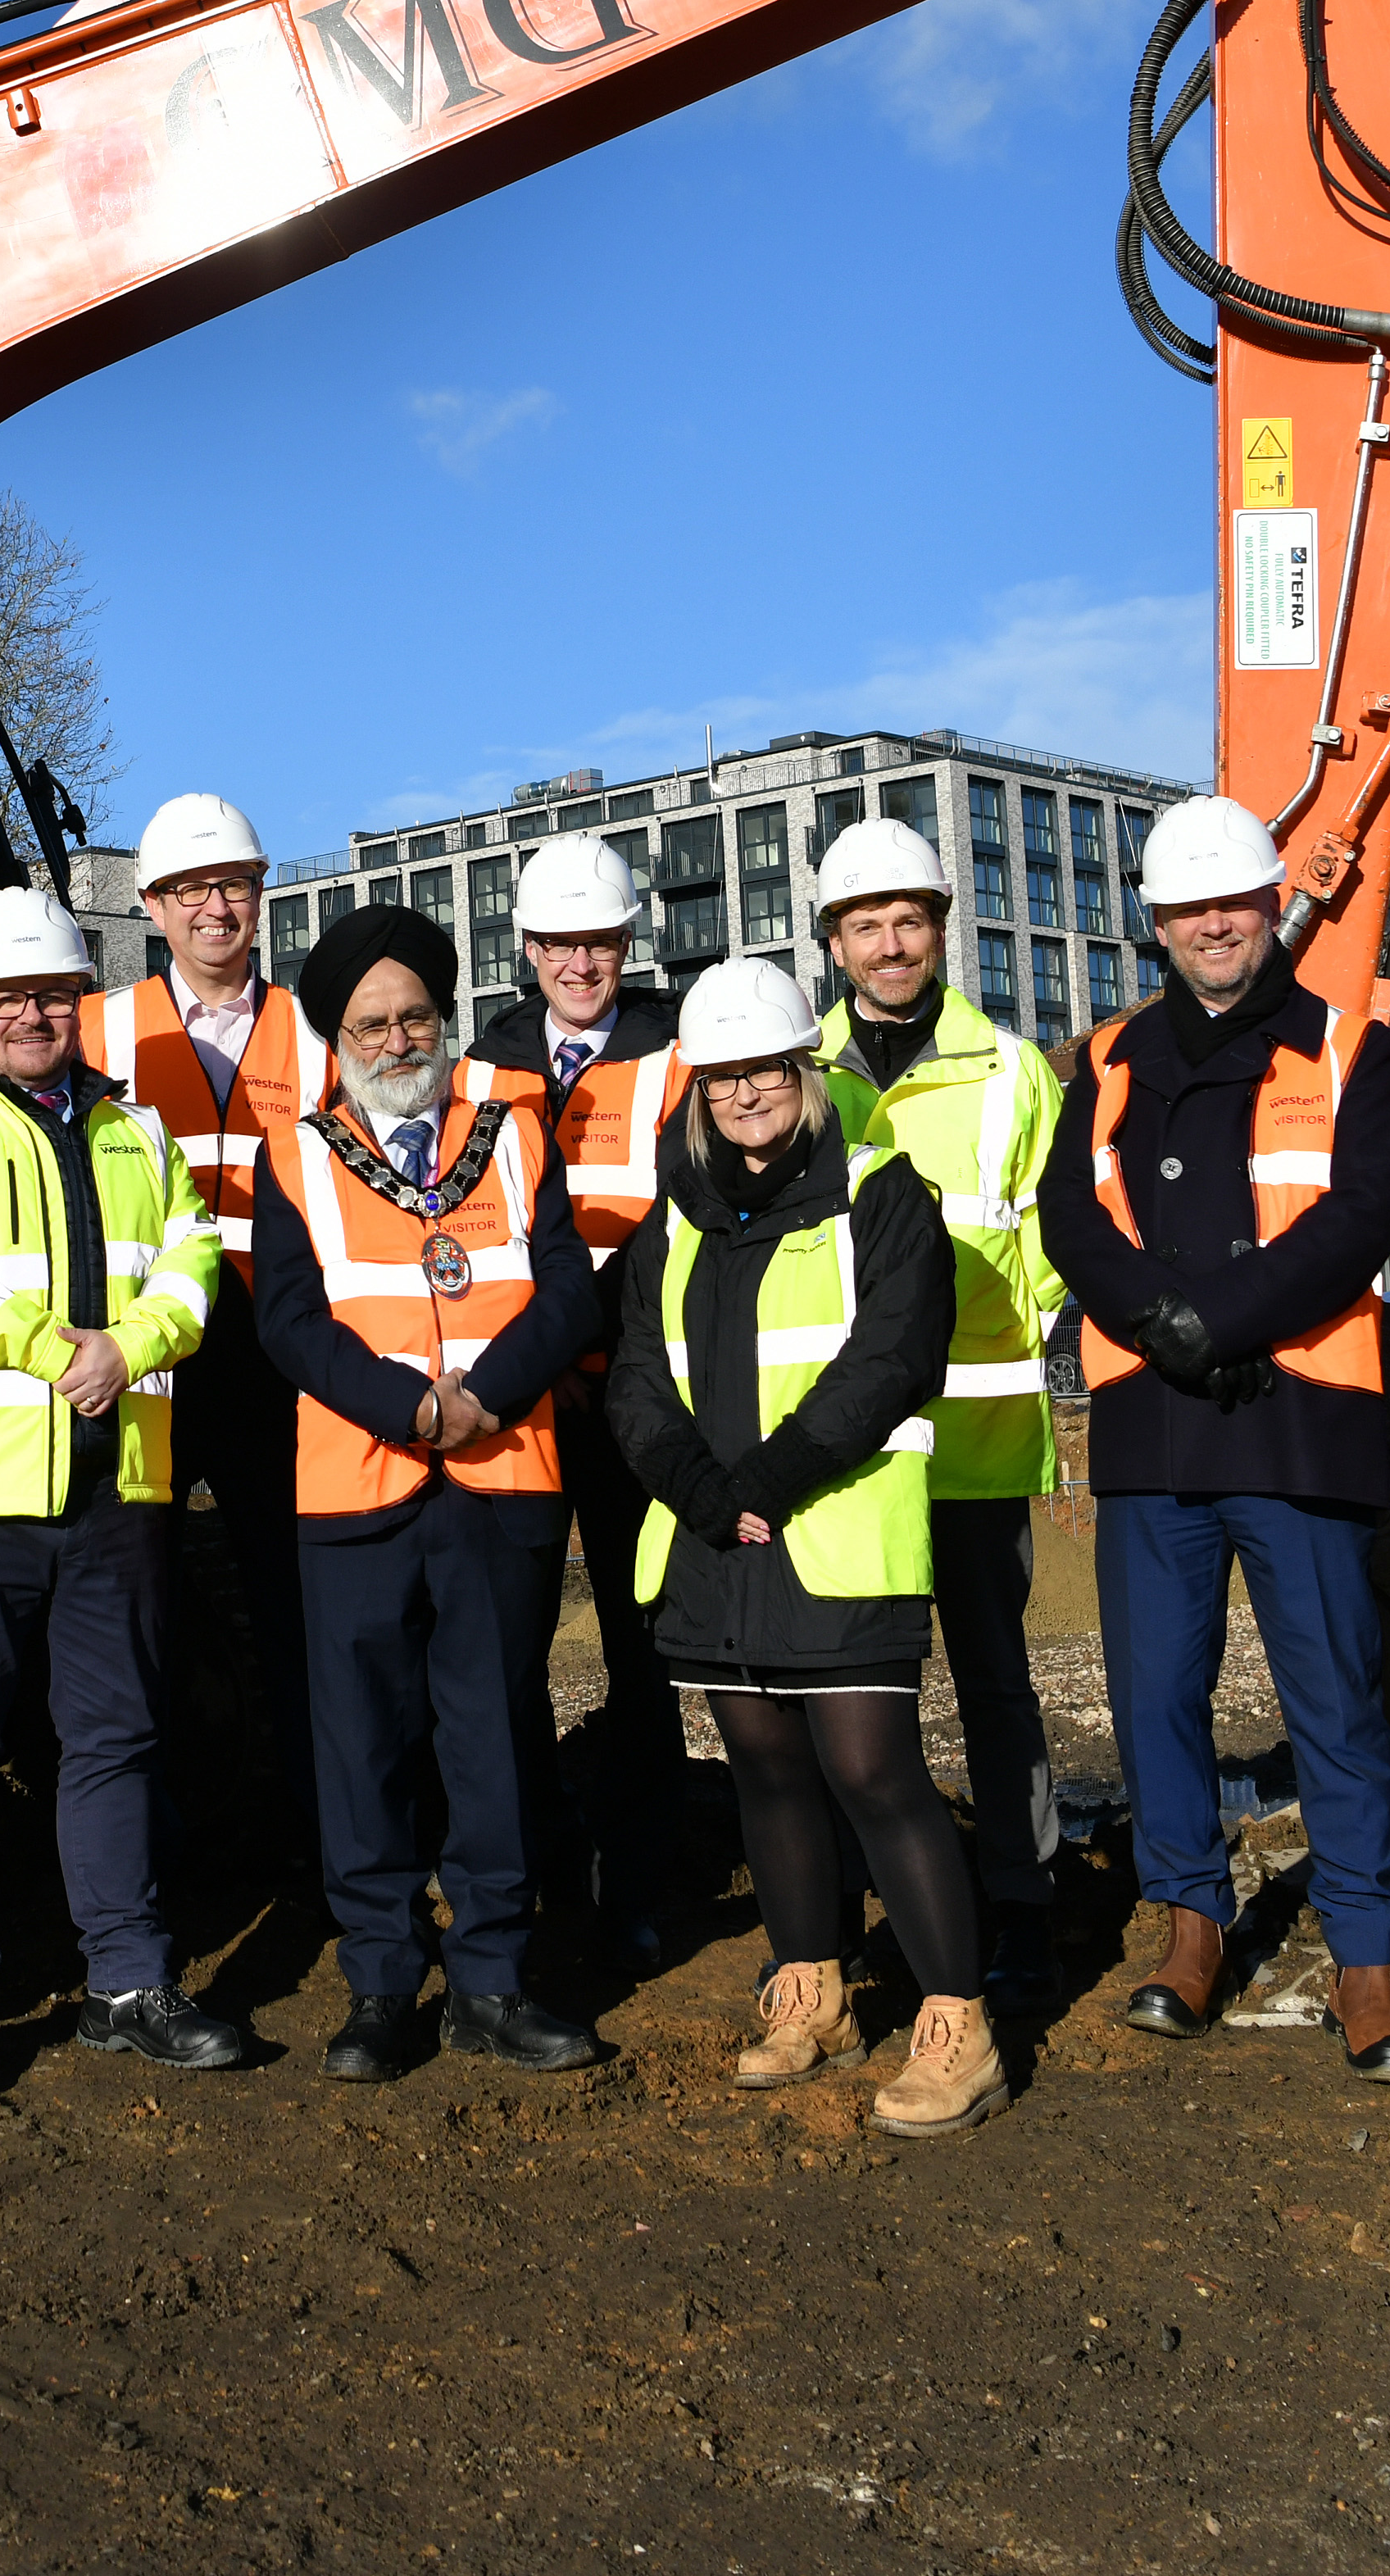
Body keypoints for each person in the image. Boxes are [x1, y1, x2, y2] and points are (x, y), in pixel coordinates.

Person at [1039, 797, 1390, 2084]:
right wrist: (1159, 1321)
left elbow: (1360, 1214)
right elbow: (1070, 1218)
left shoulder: (1352, 1048)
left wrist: (1220, 1317)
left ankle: (1368, 1953)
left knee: (1334, 1693)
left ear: (1275, 905)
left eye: (1236, 903)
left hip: (1301, 1418)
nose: (1215, 925)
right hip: (1153, 1427)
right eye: (1189, 908)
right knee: (1154, 1697)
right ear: (1155, 924)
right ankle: (1191, 1921)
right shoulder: (1100, 1061)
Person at [0, 888, 252, 2097]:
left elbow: (193, 1263)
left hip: (117, 1491)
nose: (31, 1014)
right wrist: (66, 1354)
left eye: (49, 995)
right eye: (5, 998)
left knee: (117, 1741)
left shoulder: (139, 1135)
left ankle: (128, 1984)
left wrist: (127, 1352)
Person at [612, 958, 1002, 2138]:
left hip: (833, 1533)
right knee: (766, 1771)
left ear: (805, 1072)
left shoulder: (881, 1194)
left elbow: (891, 1360)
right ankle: (813, 1987)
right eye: (722, 1076)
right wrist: (696, 1490)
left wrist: (766, 1484)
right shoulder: (673, 1215)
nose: (744, 1094)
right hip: (714, 1541)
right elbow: (636, 1376)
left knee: (875, 1774)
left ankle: (958, 2022)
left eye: (764, 1070)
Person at [247, 905, 612, 2078]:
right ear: (337, 1039)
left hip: (502, 1475)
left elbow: (567, 1293)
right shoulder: (296, 1152)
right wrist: (407, 1408)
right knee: (364, 1741)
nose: (399, 1038)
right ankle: (381, 1984)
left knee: (497, 1733)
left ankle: (496, 1982)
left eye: (415, 1017)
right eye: (373, 1023)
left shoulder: (511, 1132)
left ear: (443, 1023)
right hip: (358, 1481)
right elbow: (289, 1321)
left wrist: (484, 1397)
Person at [807, 815, 1073, 2003]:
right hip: (852, 1457)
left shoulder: (1013, 1070)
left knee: (996, 1682)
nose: (891, 944)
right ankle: (893, 1910)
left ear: (942, 930)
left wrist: (1011, 1329)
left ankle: (1023, 1902)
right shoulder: (797, 1075)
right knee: (866, 1696)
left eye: (909, 920)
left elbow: (1053, 1239)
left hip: (975, 1435)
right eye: (867, 925)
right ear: (834, 944)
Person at [460, 833, 689, 1959]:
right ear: (529, 950)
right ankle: (539, 1868)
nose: (580, 963)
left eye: (598, 942)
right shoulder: (484, 1063)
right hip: (522, 1401)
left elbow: (688, 1222)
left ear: (625, 942)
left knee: (642, 1646)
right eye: (559, 943)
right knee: (510, 1646)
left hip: (635, 1397)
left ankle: (642, 1882)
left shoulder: (675, 1054)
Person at [86, 790, 323, 1859]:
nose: (213, 908)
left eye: (230, 885)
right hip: (153, 1349)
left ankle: (321, 1827)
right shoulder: (98, 1030)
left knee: (293, 1591)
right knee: (139, 1590)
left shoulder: (319, 1031)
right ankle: (159, 1827)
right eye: (189, 891)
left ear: (259, 894)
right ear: (152, 906)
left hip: (282, 1350)